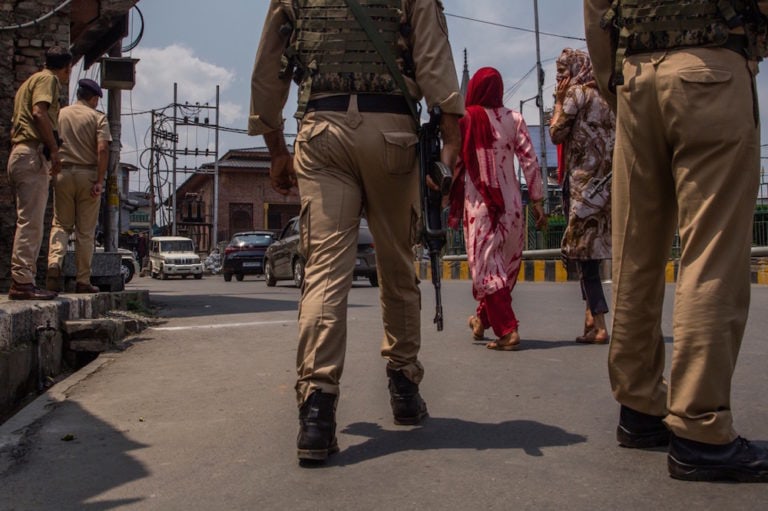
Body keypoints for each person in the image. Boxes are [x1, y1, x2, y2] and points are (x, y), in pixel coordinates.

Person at [248, 0, 462, 464]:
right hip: (393, 135)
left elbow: (268, 69)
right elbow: (435, 63)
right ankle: (404, 388)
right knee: (397, 264)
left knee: (324, 272)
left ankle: (317, 414)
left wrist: (277, 149)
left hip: (322, 131)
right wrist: (448, 143)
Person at [584, 0, 768, 481]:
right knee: (712, 253)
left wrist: (615, 83)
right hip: (711, 69)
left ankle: (640, 407)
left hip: (635, 77)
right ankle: (699, 429)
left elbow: (596, 8)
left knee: (634, 255)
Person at [448, 67, 547, 351]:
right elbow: (530, 162)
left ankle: (507, 331)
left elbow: (455, 164)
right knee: (504, 269)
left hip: (481, 206)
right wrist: (538, 201)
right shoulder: (514, 119)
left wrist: (444, 196)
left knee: (489, 271)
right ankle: (480, 321)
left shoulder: (467, 119)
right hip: (513, 207)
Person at [548, 48, 614, 345]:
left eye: (563, 71)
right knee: (592, 248)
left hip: (582, 185)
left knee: (583, 253)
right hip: (607, 184)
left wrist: (559, 101)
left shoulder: (576, 94)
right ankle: (590, 317)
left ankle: (598, 321)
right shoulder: (605, 96)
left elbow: (556, 133)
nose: (560, 78)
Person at [7, 46, 72, 300]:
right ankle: (22, 282)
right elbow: (39, 112)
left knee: (28, 220)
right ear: (66, 68)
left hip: (22, 154)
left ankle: (24, 278)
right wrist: (54, 150)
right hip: (32, 154)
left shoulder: (29, 81)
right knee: (31, 222)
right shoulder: (48, 80)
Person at [46, 78, 111, 294]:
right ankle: (83, 280)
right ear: (93, 99)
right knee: (85, 232)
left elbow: (50, 140)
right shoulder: (98, 118)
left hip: (62, 172)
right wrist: (100, 180)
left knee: (61, 224)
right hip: (88, 175)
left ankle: (54, 262)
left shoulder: (61, 113)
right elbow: (102, 150)